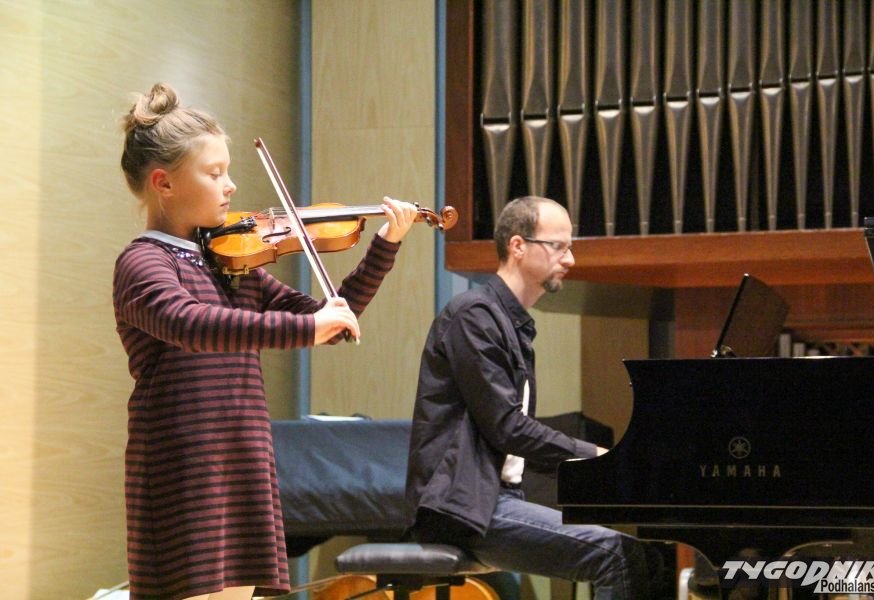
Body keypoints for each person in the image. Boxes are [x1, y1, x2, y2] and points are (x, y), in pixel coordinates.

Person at [113, 82, 418, 600]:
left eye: (228, 171)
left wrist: (385, 245)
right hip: (185, 462)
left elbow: (326, 319)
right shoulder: (143, 263)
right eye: (214, 173)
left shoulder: (231, 263)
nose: (230, 185)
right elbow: (192, 324)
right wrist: (307, 329)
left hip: (243, 453)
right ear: (164, 183)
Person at [404, 196, 659, 600]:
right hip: (460, 507)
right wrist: (596, 456)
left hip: (493, 499)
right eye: (558, 246)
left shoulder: (511, 324)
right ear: (518, 246)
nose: (570, 259)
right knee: (620, 557)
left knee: (648, 558)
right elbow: (507, 428)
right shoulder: (474, 316)